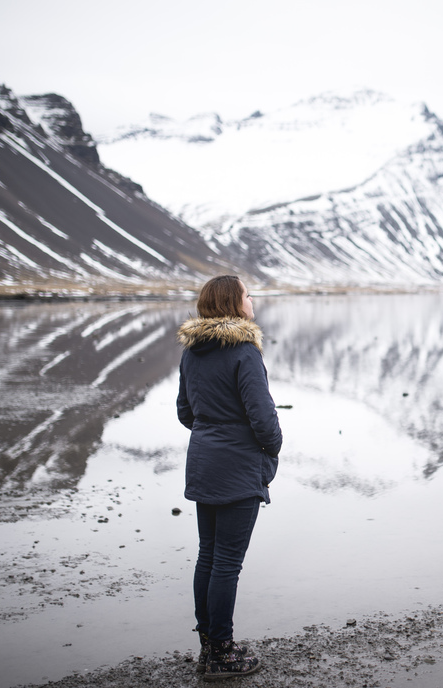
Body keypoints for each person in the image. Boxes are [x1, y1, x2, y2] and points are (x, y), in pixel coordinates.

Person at [176, 275, 283, 681]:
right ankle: (222, 652)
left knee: (209, 555)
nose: (252, 299)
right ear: (234, 304)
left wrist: (212, 433)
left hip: (204, 462)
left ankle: (208, 647)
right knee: (227, 563)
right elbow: (263, 417)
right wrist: (271, 448)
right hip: (238, 466)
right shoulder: (244, 351)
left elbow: (186, 411)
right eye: (248, 294)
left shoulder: (192, 352)